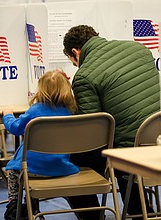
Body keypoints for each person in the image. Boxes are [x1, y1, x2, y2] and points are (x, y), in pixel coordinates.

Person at [63, 24, 160, 220]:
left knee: (67, 161)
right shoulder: (139, 49)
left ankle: (92, 216)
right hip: (156, 137)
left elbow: (92, 134)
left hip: (127, 150)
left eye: (73, 62)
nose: (76, 66)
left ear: (75, 52)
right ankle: (141, 210)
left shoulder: (84, 75)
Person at [2, 69, 79, 220]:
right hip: (61, 168)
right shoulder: (70, 112)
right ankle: (33, 207)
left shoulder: (35, 110)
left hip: (30, 170)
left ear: (41, 89)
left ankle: (15, 204)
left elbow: (15, 128)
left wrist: (8, 114)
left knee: (13, 171)